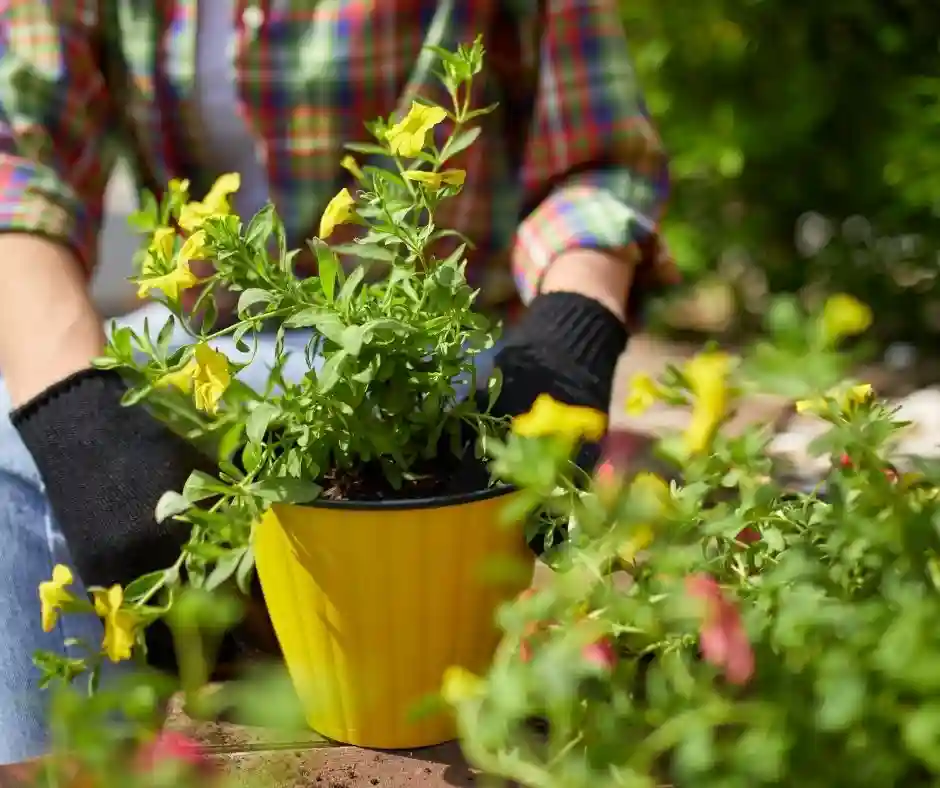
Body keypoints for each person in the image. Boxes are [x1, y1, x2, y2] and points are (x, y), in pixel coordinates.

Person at [0, 0, 673, 765]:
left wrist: (567, 344)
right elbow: (20, 159)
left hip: (429, 354)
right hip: (211, 349)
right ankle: (68, 764)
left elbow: (599, 159)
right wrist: (81, 428)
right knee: (9, 445)